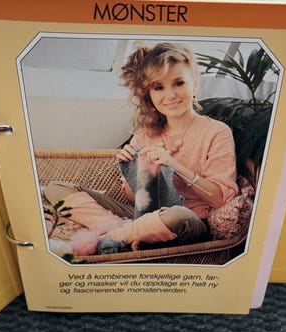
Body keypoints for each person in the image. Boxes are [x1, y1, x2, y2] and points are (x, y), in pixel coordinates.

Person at [45, 42, 238, 254]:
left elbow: (220, 199)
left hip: (187, 221)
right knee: (56, 188)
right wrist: (132, 169)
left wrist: (175, 166)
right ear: (149, 94)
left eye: (179, 83)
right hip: (140, 216)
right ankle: (123, 231)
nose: (170, 95)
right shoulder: (145, 135)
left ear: (195, 83)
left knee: (178, 215)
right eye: (159, 87)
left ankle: (115, 236)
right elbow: (135, 199)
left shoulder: (217, 132)